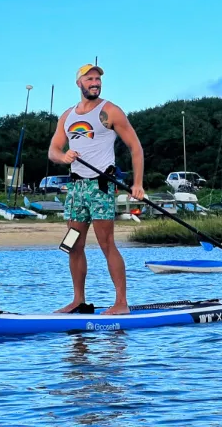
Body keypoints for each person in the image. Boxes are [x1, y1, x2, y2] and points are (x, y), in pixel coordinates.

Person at [49, 63, 145, 315]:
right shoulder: (67, 116)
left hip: (101, 187)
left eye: (97, 79)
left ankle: (121, 303)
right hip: (76, 188)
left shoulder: (110, 111)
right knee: (72, 244)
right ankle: (78, 301)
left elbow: (136, 147)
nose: (95, 82)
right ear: (78, 83)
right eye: (89, 79)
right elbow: (53, 150)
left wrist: (137, 183)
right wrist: (64, 156)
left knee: (106, 244)